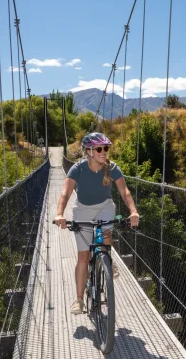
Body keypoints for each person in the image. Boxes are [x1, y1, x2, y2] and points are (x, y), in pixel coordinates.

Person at [54, 132, 140, 315]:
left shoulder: (112, 168)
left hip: (104, 207)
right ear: (89, 151)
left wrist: (133, 211)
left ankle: (107, 260)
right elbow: (65, 193)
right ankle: (78, 300)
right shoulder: (78, 169)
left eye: (106, 148)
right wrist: (59, 214)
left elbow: (124, 192)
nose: (104, 152)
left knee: (105, 236)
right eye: (99, 149)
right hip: (83, 209)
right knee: (83, 255)